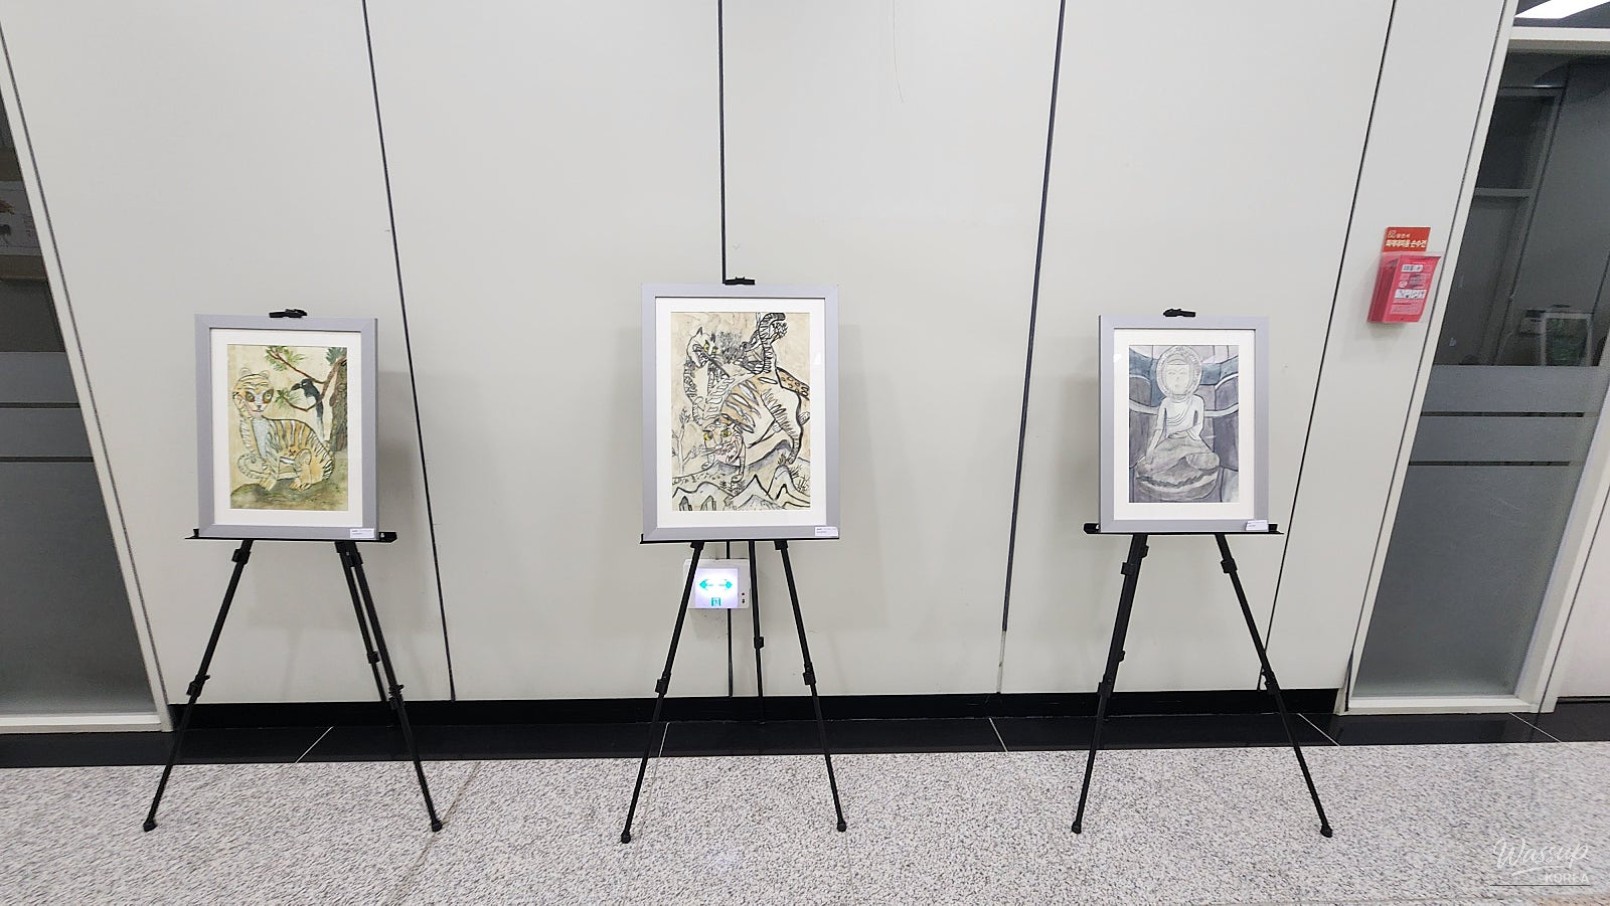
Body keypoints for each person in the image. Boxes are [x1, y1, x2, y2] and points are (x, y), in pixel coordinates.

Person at [1134, 345, 1221, 501]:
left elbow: (1198, 426)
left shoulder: (1196, 401)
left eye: (1182, 373)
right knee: (1145, 466)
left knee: (1205, 460)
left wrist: (1188, 436)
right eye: (1171, 373)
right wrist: (1151, 450)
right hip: (1169, 444)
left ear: (1193, 377)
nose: (1177, 379)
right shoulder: (1166, 403)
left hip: (1191, 443)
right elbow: (1159, 430)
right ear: (1163, 378)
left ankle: (1181, 458)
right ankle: (1175, 459)